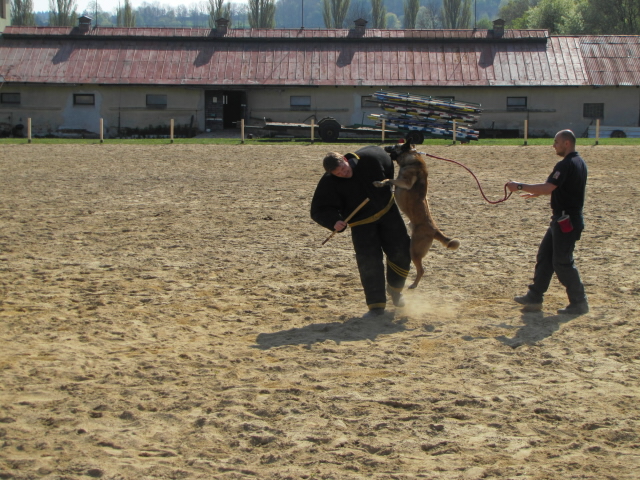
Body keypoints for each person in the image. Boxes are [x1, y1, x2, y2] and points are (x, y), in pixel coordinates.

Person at [310, 146, 412, 317]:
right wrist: (334, 221)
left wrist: (386, 190)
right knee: (369, 263)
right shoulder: (329, 182)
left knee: (401, 251)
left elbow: (388, 165)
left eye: (343, 168)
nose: (343, 173)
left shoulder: (371, 158)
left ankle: (395, 289)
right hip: (361, 225)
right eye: (338, 174)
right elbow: (318, 210)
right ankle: (376, 305)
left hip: (388, 214)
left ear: (345, 159)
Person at [507, 129, 589, 315]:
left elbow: (550, 186)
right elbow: (560, 188)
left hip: (566, 221)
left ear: (567, 143)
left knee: (562, 262)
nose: (554, 145)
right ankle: (535, 297)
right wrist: (537, 192)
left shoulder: (566, 164)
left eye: (557, 142)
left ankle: (579, 302)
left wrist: (519, 186)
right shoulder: (579, 162)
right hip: (562, 220)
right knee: (545, 257)